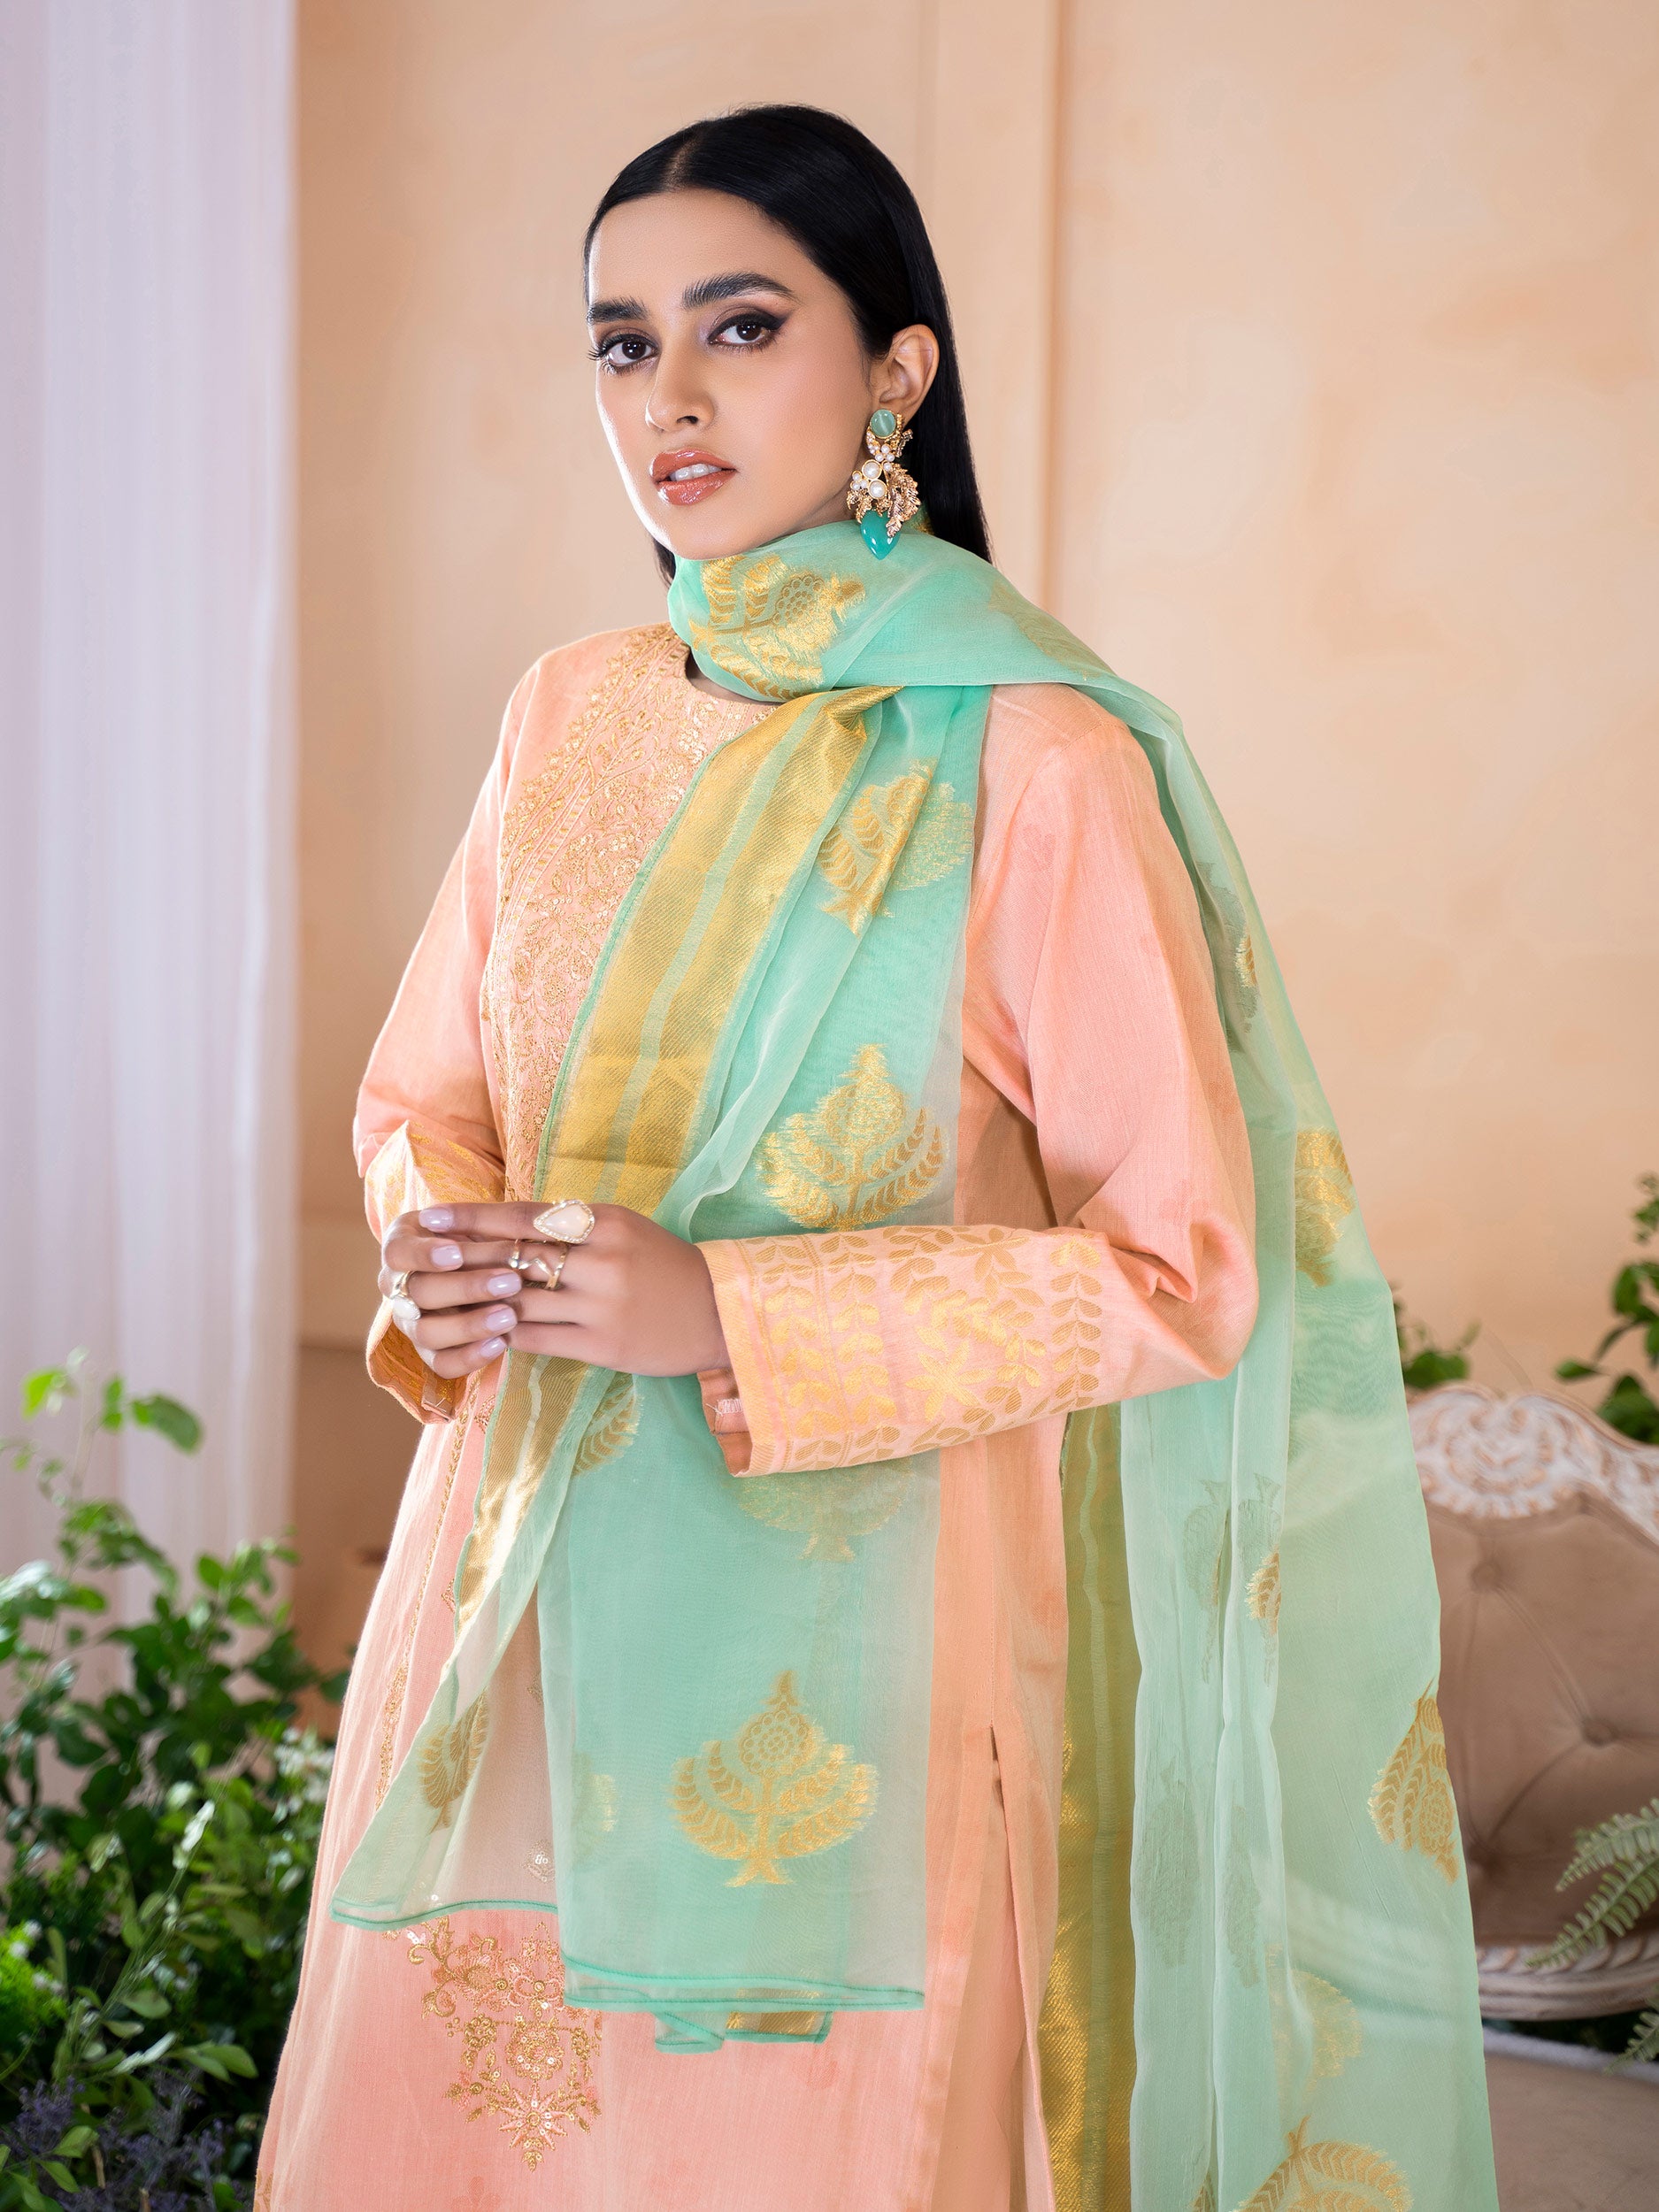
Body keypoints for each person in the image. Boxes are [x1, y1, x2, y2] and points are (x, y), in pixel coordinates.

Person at [257, 104, 1497, 2212]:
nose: (669, 396)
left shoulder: (1033, 754)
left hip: (861, 1658)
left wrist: (723, 1307)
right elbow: (421, 1100)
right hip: (519, 1594)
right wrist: (435, 1244)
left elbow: (1184, 1265)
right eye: (621, 343)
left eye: (738, 326)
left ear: (895, 368)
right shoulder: (565, 717)